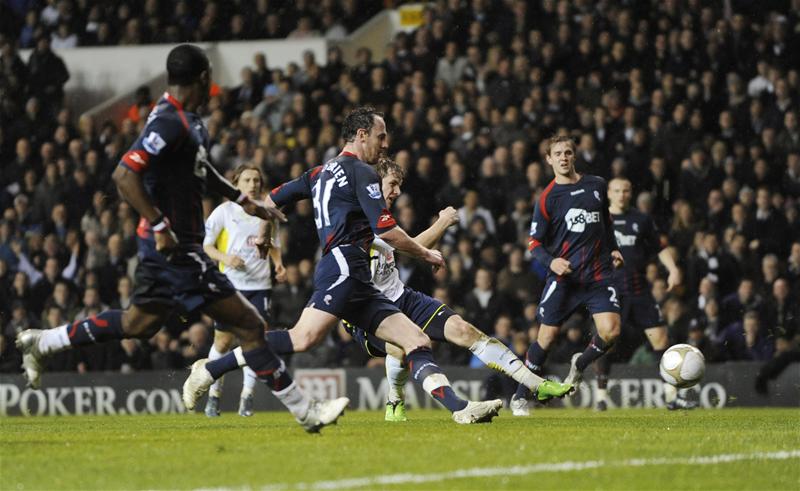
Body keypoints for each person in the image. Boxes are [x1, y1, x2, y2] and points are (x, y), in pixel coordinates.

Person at [16, 44, 347, 433]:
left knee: (139, 323)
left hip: (169, 249)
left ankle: (44, 342)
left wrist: (246, 202)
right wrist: (159, 226)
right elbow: (125, 175)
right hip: (178, 249)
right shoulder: (169, 121)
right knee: (250, 326)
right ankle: (306, 412)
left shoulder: (189, 122)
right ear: (204, 77)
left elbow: (202, 172)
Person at [183, 106, 503, 424]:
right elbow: (387, 231)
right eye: (381, 136)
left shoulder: (319, 172)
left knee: (416, 341)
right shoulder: (361, 171)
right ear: (361, 135)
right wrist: (426, 253)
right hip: (344, 266)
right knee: (303, 339)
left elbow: (269, 203)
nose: (386, 143)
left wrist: (266, 234)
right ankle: (209, 369)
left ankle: (460, 409)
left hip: (356, 274)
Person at [201, 157, 572, 422]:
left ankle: (526, 386)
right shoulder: (361, 213)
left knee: (456, 331)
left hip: (397, 295)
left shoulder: (364, 204)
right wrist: (439, 227)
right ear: (374, 182)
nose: (395, 192)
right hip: (360, 300)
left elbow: (399, 244)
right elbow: (401, 243)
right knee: (327, 340)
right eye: (392, 185)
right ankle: (397, 399)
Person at [511, 135, 625, 416]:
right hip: (566, 279)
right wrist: (552, 263)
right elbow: (534, 244)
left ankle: (580, 364)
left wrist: (614, 249)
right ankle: (520, 397)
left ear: (574, 156)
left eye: (568, 153)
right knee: (546, 339)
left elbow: (606, 225)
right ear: (549, 159)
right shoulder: (548, 198)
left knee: (611, 331)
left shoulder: (597, 185)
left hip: (598, 275)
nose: (563, 157)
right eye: (558, 154)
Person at [594, 177, 696, 410]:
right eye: (617, 191)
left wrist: (672, 269)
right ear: (609, 193)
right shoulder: (599, 220)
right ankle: (601, 398)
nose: (621, 195)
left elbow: (660, 247)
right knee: (607, 342)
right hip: (611, 291)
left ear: (631, 193)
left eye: (626, 190)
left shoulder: (642, 219)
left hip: (639, 290)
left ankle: (671, 397)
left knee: (661, 339)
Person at [202, 164, 286, 418]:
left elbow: (273, 243)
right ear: (236, 183)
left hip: (260, 287)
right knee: (223, 341)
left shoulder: (266, 212)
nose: (253, 184)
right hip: (231, 286)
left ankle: (246, 398)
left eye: (257, 180)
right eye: (247, 180)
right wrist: (225, 258)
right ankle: (213, 396)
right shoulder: (224, 211)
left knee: (256, 341)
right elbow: (206, 246)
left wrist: (279, 263)